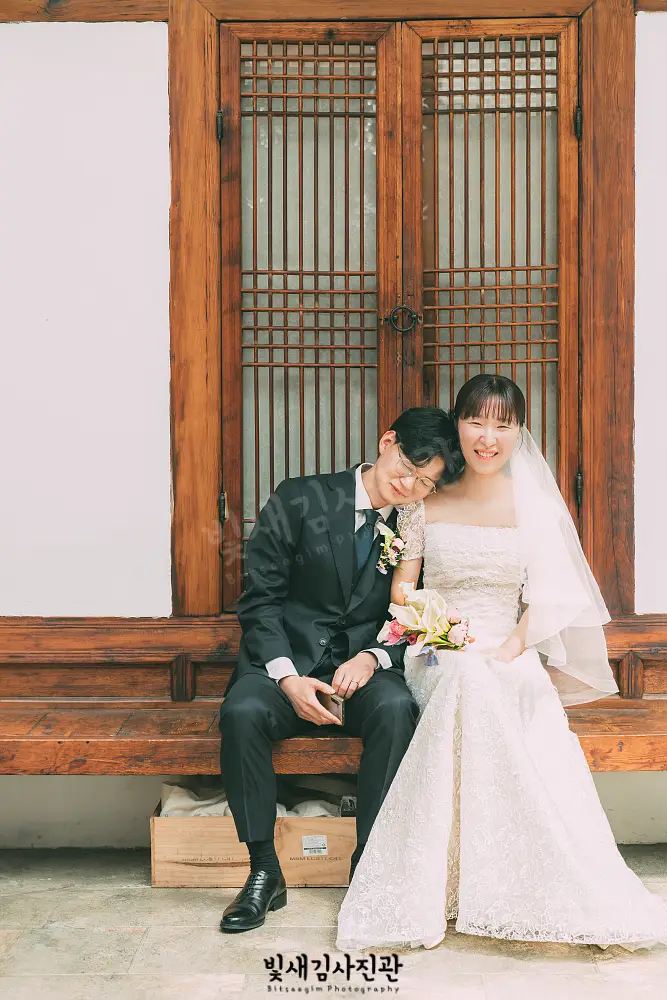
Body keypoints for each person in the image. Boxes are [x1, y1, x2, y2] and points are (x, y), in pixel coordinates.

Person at [337, 373, 667, 951]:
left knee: (495, 681)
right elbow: (403, 590)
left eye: (502, 425)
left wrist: (510, 649)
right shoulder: (425, 499)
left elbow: (550, 599)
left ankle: (529, 873)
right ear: (458, 425)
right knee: (466, 676)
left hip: (507, 647)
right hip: (436, 648)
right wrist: (438, 627)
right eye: (476, 422)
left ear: (519, 433)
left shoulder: (532, 504)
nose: (487, 438)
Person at [218, 407, 460, 933]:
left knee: (397, 708)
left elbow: (415, 613)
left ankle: (368, 868)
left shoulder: (413, 525)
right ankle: (263, 871)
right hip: (287, 666)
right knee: (240, 711)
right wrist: (286, 676)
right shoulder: (298, 497)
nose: (409, 486)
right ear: (387, 442)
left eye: (425, 482)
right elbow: (259, 601)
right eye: (408, 467)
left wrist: (373, 657)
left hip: (362, 671)